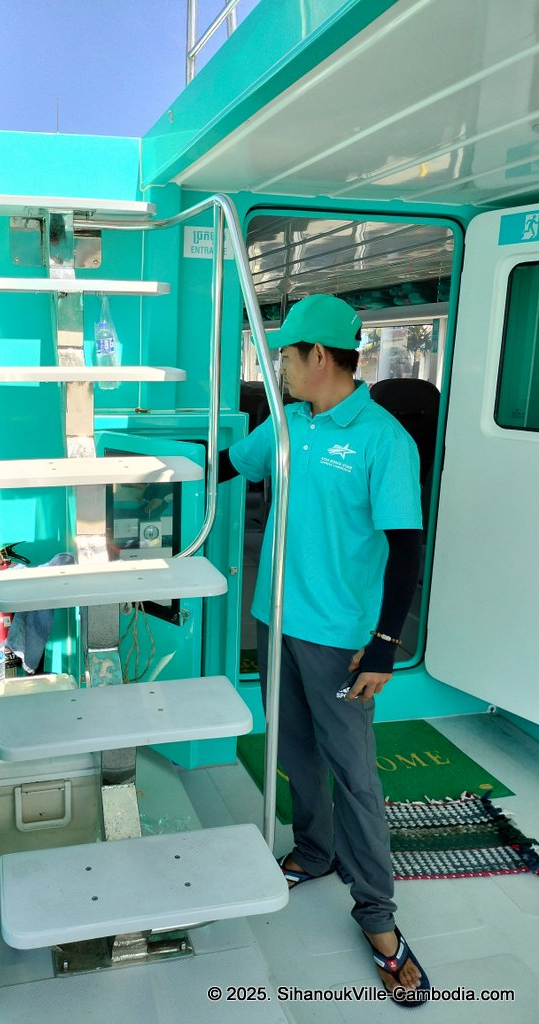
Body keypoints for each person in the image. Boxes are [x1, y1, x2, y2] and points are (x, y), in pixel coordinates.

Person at [220, 294, 430, 1006]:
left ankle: (377, 915)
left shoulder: (382, 440)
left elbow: (406, 549)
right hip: (277, 621)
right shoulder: (287, 426)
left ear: (317, 356)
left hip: (342, 641)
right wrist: (143, 468)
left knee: (356, 775)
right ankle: (313, 851)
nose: (277, 365)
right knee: (295, 751)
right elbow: (229, 465)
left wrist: (383, 646)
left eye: (284, 353)